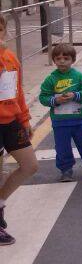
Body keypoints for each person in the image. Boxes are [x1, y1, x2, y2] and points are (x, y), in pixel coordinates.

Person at [39, 43, 82, 182]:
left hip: (78, 120)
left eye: (66, 58)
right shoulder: (50, 79)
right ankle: (66, 170)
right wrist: (56, 100)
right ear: (54, 61)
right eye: (58, 59)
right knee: (62, 147)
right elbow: (43, 97)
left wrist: (75, 95)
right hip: (60, 121)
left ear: (72, 60)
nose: (62, 61)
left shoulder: (79, 77)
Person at [0, 15, 39, 245]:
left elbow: (18, 91)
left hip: (12, 121)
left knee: (30, 165)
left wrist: (25, 120)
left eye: (0, 29)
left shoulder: (10, 57)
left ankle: (1, 203)